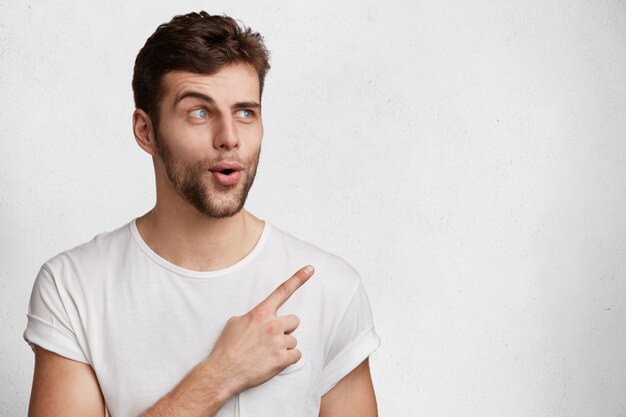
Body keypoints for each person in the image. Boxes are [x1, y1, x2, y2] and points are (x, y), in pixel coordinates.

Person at [23, 11, 380, 417]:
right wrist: (220, 375)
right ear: (146, 131)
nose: (229, 137)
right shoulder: (74, 287)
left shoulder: (331, 288)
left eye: (245, 112)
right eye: (200, 112)